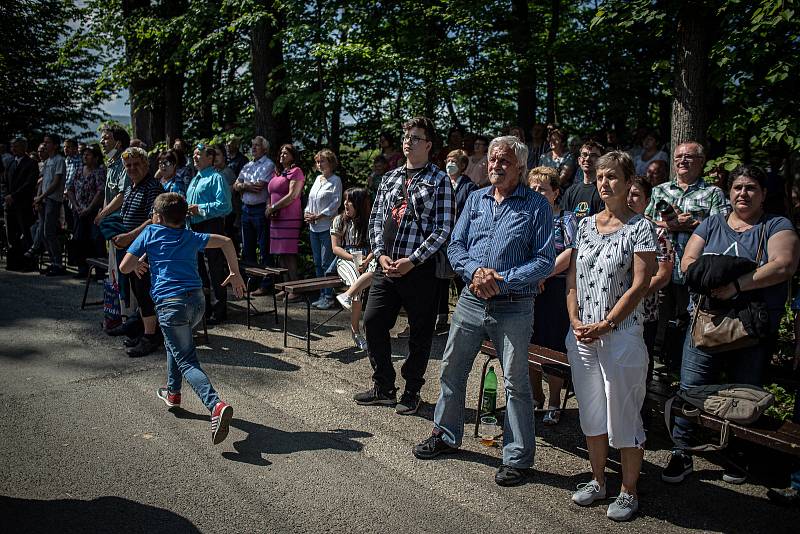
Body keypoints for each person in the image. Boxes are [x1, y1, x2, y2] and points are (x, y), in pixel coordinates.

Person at [412, 135, 554, 487]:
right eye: (492, 159)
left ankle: (518, 458)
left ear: (519, 166)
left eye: (504, 160)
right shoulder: (475, 199)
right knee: (451, 370)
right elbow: (456, 245)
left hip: (514, 306)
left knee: (515, 384)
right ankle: (445, 435)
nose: (496, 166)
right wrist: (475, 272)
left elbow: (544, 261)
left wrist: (501, 279)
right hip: (472, 300)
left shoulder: (537, 206)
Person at [662, 165, 800, 486]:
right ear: (729, 192)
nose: (743, 193)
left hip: (751, 328)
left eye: (751, 188)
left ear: (764, 194)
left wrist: (734, 285)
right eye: (737, 187)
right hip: (706, 323)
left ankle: (737, 453)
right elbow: (688, 263)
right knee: (691, 389)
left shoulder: (776, 225)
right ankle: (682, 451)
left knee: (746, 392)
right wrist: (719, 278)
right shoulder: (712, 223)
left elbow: (784, 264)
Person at [565, 150, 657, 521]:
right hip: (582, 334)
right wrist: (573, 319)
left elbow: (640, 284)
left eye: (613, 177)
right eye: (601, 177)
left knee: (622, 413)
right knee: (591, 411)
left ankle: (628, 489)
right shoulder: (585, 225)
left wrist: (608, 323)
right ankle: (599, 480)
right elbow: (572, 277)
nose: (605, 183)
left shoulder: (641, 228)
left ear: (628, 180)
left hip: (620, 335)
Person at [120, 192, 244, 445]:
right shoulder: (190, 236)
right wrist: (235, 273)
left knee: (186, 359)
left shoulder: (150, 233)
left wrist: (138, 264)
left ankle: (216, 405)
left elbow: (124, 266)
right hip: (197, 303)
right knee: (175, 344)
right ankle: (173, 393)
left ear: (157, 216)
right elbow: (226, 242)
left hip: (171, 305)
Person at [354, 116, 455, 414]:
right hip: (386, 266)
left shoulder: (439, 180)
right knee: (373, 322)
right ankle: (383, 385)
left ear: (428, 145)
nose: (408, 141)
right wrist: (380, 252)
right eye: (406, 136)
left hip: (419, 269)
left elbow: (444, 228)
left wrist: (412, 260)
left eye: (416, 137)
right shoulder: (390, 178)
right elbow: (375, 219)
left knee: (420, 332)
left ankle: (412, 390)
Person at [645, 141, 728, 371]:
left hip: (695, 271)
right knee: (657, 322)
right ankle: (655, 371)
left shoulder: (713, 193)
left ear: (701, 162)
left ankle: (684, 373)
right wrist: (671, 224)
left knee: (691, 322)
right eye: (679, 156)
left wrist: (694, 225)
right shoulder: (660, 190)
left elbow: (723, 231)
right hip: (662, 267)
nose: (682, 160)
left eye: (689, 157)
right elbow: (646, 224)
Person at [527, 166, 576, 425]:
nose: (536, 192)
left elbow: (571, 252)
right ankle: (536, 397)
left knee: (553, 347)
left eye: (542, 188)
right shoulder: (525, 216)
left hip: (554, 289)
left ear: (555, 193)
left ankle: (555, 402)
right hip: (528, 288)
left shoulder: (566, 219)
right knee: (529, 344)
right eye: (532, 187)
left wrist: (543, 274)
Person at [113, 147, 164, 357]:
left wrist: (128, 237)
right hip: (131, 249)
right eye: (128, 166)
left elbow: (152, 222)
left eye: (136, 164)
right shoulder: (131, 187)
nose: (132, 168)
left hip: (146, 250)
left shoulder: (153, 187)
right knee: (137, 292)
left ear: (146, 165)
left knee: (144, 293)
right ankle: (144, 330)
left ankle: (151, 337)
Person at [627, 176, 673, 382]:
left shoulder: (659, 233)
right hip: (608, 312)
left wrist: (631, 296)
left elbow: (663, 275)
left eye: (636, 194)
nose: (629, 198)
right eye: (626, 193)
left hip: (644, 314)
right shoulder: (609, 229)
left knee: (640, 370)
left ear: (647, 201)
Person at [186, 144, 233, 325]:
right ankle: (204, 307)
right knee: (199, 269)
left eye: (199, 154)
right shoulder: (195, 178)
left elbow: (225, 206)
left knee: (213, 268)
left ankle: (219, 310)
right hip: (194, 227)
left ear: (210, 158)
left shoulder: (216, 178)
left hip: (211, 226)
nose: (195, 157)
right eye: (194, 154)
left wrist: (200, 209)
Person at [437, 149, 477, 331]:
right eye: (448, 160)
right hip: (442, 238)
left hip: (462, 239)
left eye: (454, 161)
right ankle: (441, 315)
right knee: (441, 279)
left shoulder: (470, 187)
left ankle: (464, 316)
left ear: (462, 165)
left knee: (461, 278)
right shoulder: (441, 183)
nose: (449, 164)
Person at [331, 187, 376, 351]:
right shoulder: (339, 220)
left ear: (359, 203)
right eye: (345, 200)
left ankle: (346, 295)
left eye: (350, 201)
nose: (346, 204)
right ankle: (356, 332)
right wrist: (354, 258)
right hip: (346, 258)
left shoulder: (371, 222)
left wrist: (367, 259)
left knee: (377, 270)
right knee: (356, 286)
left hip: (367, 258)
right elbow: (335, 248)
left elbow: (376, 247)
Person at [235, 136, 275, 295]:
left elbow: (260, 187)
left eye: (257, 145)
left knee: (264, 247)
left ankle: (266, 284)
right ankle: (251, 281)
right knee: (248, 248)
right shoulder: (247, 165)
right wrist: (244, 186)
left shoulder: (268, 164)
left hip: (259, 209)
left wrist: (243, 186)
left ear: (264, 148)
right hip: (246, 209)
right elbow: (235, 186)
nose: (253, 148)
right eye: (252, 145)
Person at [304, 149, 343, 310]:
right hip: (314, 227)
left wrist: (319, 216)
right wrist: (307, 213)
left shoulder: (335, 180)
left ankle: (329, 296)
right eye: (318, 161)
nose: (319, 164)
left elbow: (336, 203)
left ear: (331, 163)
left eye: (323, 161)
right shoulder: (317, 179)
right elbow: (310, 200)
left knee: (327, 262)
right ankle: (321, 294)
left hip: (326, 226)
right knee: (317, 263)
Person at [28, 134, 67, 275]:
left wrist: (43, 196)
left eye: (48, 142)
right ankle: (52, 261)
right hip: (44, 199)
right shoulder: (47, 161)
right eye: (44, 142)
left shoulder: (59, 160)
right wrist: (38, 197)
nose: (45, 145)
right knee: (44, 233)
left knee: (49, 232)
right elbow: (42, 180)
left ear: (55, 145)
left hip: (53, 199)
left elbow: (56, 182)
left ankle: (57, 263)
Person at [267, 144, 305, 286]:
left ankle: (294, 288)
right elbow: (270, 193)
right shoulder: (277, 172)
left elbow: (292, 195)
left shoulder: (297, 172)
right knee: (280, 253)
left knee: (289, 253)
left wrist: (273, 208)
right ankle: (285, 287)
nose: (282, 155)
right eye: (281, 153)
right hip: (276, 218)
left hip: (289, 218)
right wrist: (268, 207)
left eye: (286, 153)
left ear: (293, 156)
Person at [66, 144, 106, 278]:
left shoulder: (99, 172)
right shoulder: (78, 170)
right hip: (78, 211)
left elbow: (100, 192)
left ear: (95, 157)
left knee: (95, 239)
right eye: (84, 154)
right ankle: (82, 269)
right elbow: (70, 189)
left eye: (88, 154)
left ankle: (100, 272)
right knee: (79, 240)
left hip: (93, 212)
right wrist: (76, 206)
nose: (85, 156)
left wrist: (89, 209)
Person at [2, 138, 38, 259]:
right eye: (12, 147)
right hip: (9, 204)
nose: (13, 149)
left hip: (23, 204)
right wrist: (6, 195)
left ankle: (27, 262)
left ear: (24, 147)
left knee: (26, 233)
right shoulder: (10, 163)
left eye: (16, 147)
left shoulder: (31, 163)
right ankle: (14, 261)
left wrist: (13, 196)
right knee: (10, 235)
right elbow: (4, 182)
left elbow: (29, 184)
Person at [559, 141, 605, 221]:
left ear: (601, 161)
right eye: (584, 155)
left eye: (593, 156)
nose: (587, 159)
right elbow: (564, 222)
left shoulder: (604, 190)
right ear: (579, 160)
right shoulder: (570, 192)